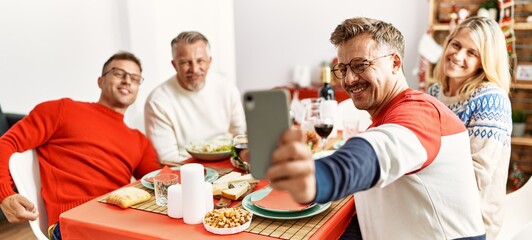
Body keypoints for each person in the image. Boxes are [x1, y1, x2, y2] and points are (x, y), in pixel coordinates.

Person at [263, 17, 486, 239]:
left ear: (395, 63)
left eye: (361, 65)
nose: (349, 79)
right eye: (343, 69)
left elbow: (373, 154)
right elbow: (369, 216)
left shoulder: (421, 112)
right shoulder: (384, 117)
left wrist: (317, 177)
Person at [0, 51, 161, 239]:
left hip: (124, 221)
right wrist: (4, 194)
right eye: (118, 73)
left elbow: (158, 181)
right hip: (76, 222)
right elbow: (6, 143)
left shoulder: (139, 140)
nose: (127, 81)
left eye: (135, 78)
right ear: (100, 81)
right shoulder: (62, 110)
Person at [427, 16, 512, 240]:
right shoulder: (434, 92)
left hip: (472, 222)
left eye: (471, 53)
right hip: (436, 204)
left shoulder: (490, 98)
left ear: (485, 61)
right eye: (456, 45)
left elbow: (475, 177)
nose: (457, 56)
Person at [144, 31, 246, 162]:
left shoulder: (227, 88)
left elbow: (240, 136)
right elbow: (167, 158)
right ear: (174, 65)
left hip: (227, 161)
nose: (195, 69)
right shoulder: (157, 101)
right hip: (184, 169)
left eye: (200, 61)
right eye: (185, 62)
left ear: (209, 61)